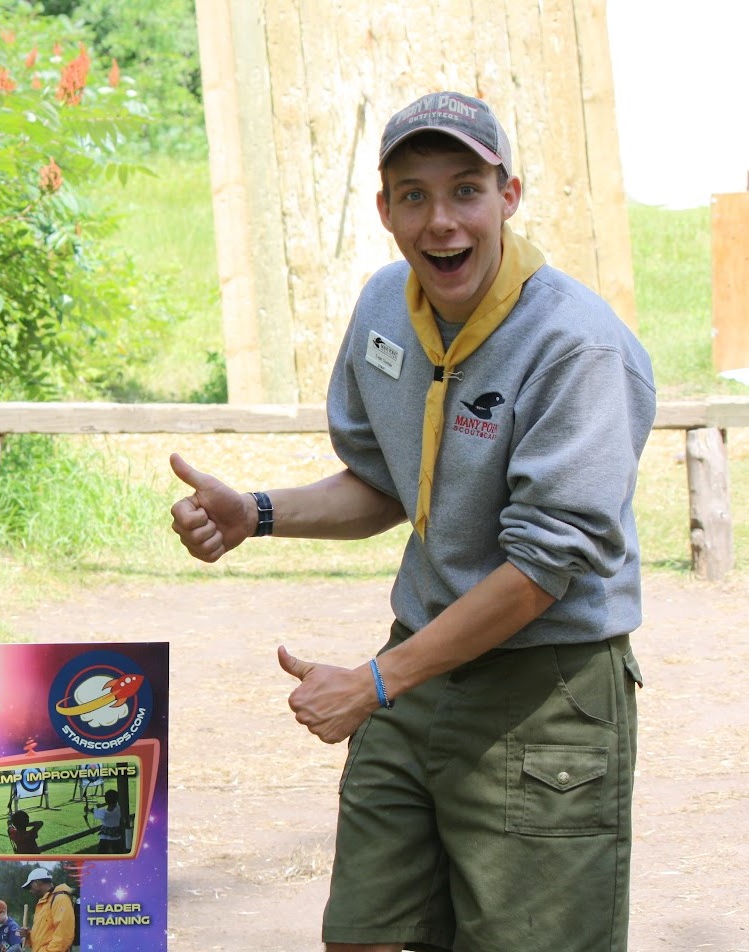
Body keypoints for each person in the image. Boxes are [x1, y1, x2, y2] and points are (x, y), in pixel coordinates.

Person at [169, 90, 655, 952]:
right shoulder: (385, 310)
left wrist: (375, 682)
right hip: (418, 665)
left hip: (543, 692)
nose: (442, 222)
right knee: (365, 934)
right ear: (386, 207)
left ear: (508, 196)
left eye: (466, 190)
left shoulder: (575, 346)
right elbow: (391, 484)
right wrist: (258, 513)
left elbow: (544, 570)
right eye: (414, 194)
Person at [17, 868, 74, 952]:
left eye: (30, 886)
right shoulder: (45, 903)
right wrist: (29, 935)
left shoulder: (60, 899)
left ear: (37, 883)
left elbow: (64, 936)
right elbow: (45, 934)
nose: (30, 891)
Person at [90, 789, 125, 854]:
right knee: (117, 854)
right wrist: (102, 805)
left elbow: (93, 811)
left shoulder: (104, 813)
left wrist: (88, 809)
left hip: (104, 839)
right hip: (117, 837)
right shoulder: (118, 809)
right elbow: (112, 802)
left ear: (106, 800)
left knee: (102, 855)